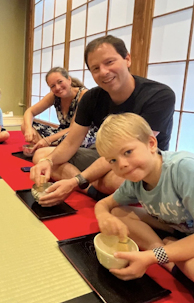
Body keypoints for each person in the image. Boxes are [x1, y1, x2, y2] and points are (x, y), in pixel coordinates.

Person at [94, 113, 194, 303]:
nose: (121, 164)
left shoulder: (183, 169)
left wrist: (154, 257)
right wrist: (102, 216)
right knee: (118, 214)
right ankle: (166, 250)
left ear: (151, 143)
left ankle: (163, 254)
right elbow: (106, 204)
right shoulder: (135, 179)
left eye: (128, 152)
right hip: (184, 227)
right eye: (113, 160)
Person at [30, 35, 175, 206]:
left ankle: (86, 184)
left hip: (137, 162)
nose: (104, 72)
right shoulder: (91, 98)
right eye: (96, 68)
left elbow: (130, 152)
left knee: (121, 180)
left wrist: (75, 180)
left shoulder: (159, 95)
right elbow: (70, 143)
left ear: (127, 59)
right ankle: (92, 190)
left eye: (109, 62)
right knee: (41, 156)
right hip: (104, 156)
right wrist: (49, 161)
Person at [22, 67, 97, 152]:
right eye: (53, 86)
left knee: (71, 137)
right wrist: (28, 129)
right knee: (26, 125)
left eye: (60, 82)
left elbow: (74, 128)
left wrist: (48, 140)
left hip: (81, 133)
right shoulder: (54, 96)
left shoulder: (83, 95)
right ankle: (52, 149)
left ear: (69, 80)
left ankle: (51, 149)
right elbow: (30, 111)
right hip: (62, 132)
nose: (57, 88)